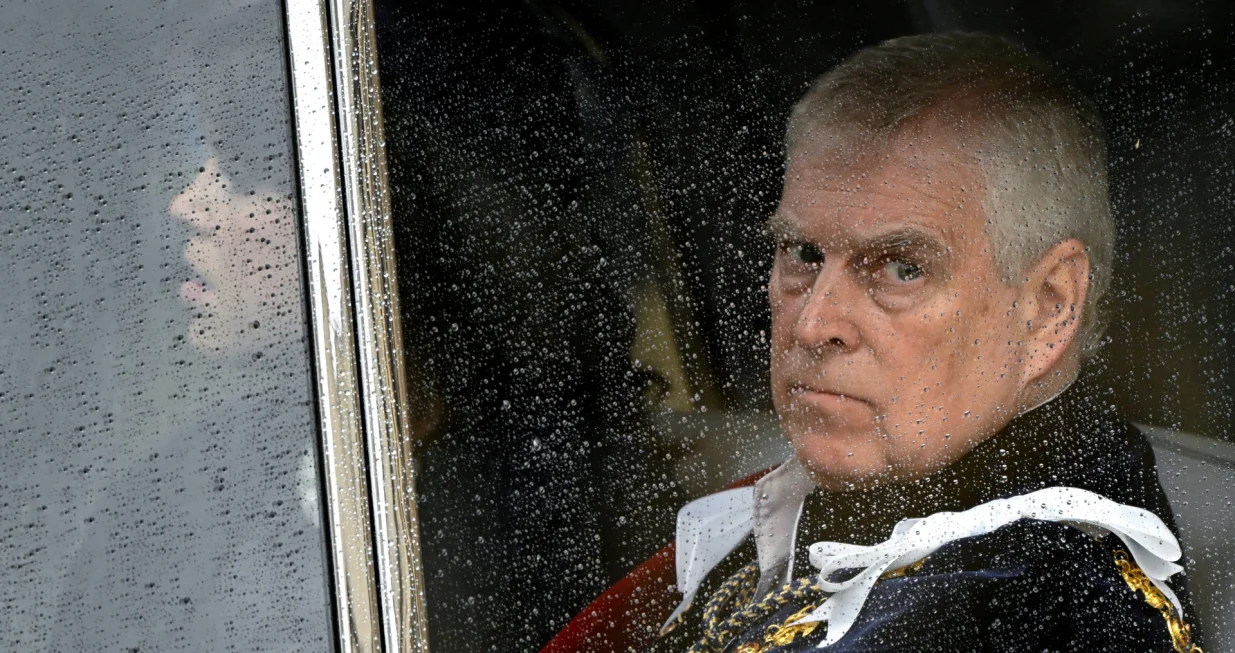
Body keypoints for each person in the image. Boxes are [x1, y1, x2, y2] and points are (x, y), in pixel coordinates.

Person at [543, 31, 1202, 653]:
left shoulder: (1036, 604)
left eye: (900, 267)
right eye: (802, 253)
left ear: (1046, 306)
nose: (811, 324)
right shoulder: (880, 499)